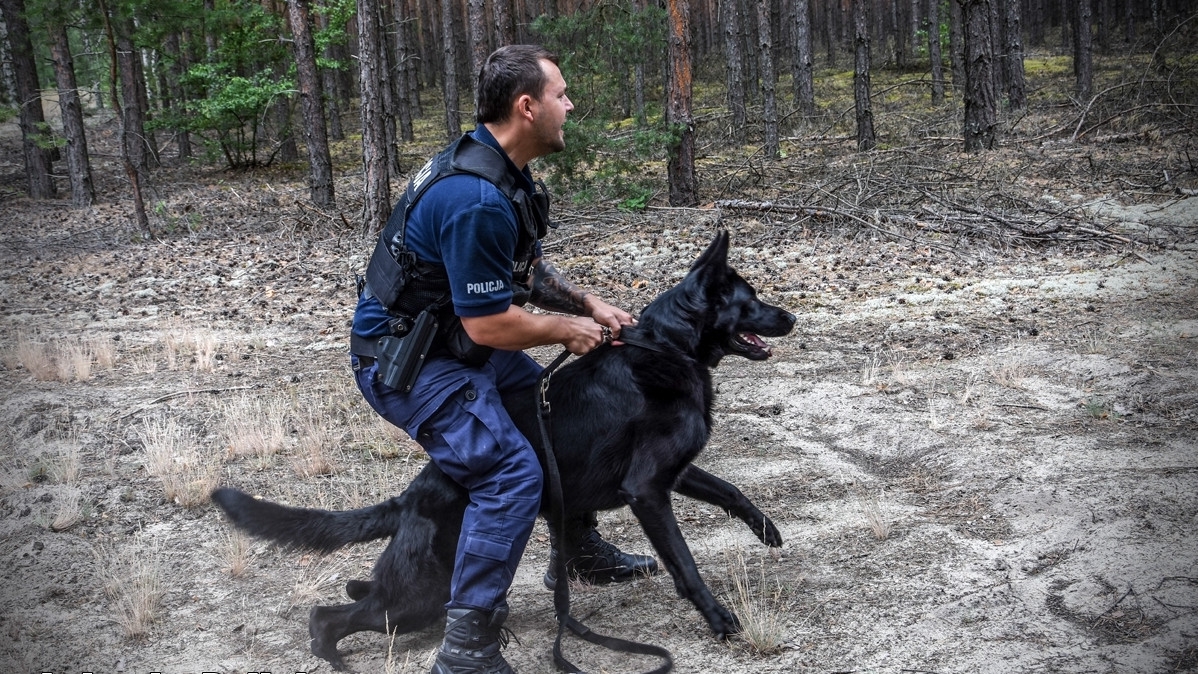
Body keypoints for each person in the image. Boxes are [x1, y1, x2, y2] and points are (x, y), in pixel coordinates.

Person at [350, 45, 658, 674]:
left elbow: (519, 268)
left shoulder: (498, 172)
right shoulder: (473, 197)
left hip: (456, 346)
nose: (570, 106)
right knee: (509, 474)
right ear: (527, 106)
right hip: (410, 364)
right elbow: (490, 322)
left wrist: (585, 302)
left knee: (560, 414)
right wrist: (564, 330)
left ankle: (579, 548)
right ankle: (466, 650)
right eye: (561, 95)